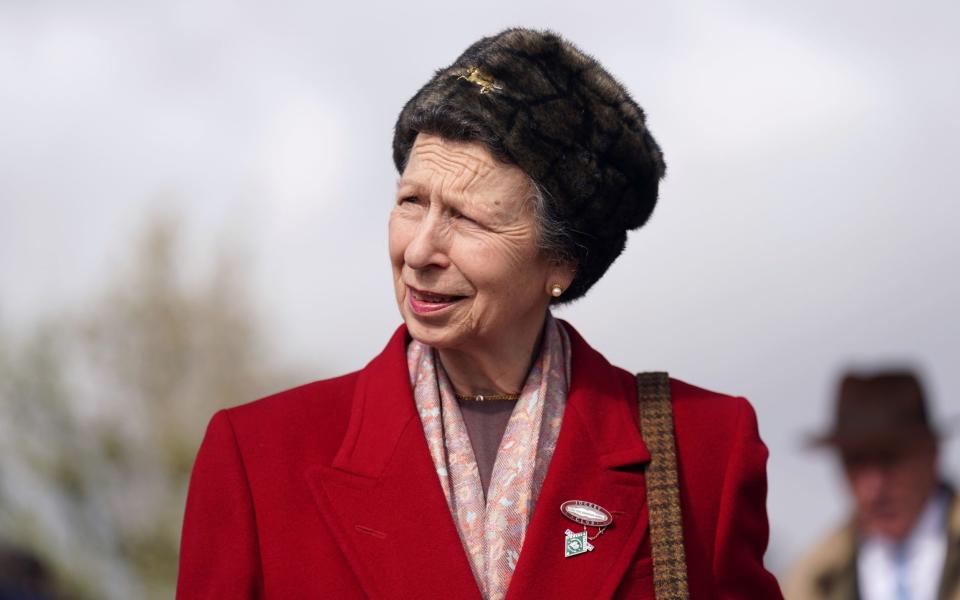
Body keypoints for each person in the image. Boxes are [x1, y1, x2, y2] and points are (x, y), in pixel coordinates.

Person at [177, 28, 782, 599]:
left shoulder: (700, 451)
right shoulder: (259, 458)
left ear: (561, 262)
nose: (418, 251)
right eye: (411, 202)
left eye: (466, 218)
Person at [784, 370, 959, 600]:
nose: (874, 488)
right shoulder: (808, 580)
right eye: (855, 463)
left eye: (889, 460)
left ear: (931, 455)